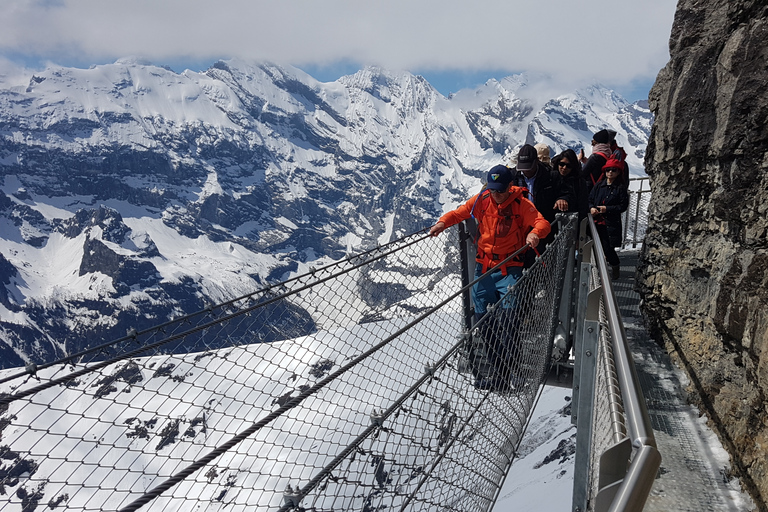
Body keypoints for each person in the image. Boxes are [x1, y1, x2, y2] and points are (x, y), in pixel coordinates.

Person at [430, 164, 551, 390]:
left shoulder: (521, 204)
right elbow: (460, 213)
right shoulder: (481, 200)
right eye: (493, 190)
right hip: (483, 268)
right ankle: (500, 375)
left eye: (500, 191)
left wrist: (535, 233)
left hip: (509, 267)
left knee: (509, 323)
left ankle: (513, 371)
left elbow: (541, 222)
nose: (496, 195)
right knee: (484, 325)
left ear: (509, 187)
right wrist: (443, 223)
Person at [510, 144, 574, 265]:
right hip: (520, 230)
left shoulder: (551, 176)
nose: (525, 170)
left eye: (528, 167)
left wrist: (562, 199)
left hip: (545, 229)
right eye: (522, 167)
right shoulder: (513, 176)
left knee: (545, 264)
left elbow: (566, 192)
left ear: (537, 162)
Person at [588, 158, 629, 279]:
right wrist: (591, 208)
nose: (610, 172)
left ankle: (615, 266)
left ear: (618, 172)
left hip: (609, 223)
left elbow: (623, 206)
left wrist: (607, 209)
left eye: (613, 170)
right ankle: (599, 272)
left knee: (608, 249)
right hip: (596, 222)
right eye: (608, 170)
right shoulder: (599, 186)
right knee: (596, 247)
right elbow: (589, 199)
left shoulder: (620, 188)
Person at [552, 149, 588, 220]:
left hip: (572, 220)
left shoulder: (579, 182)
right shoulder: (551, 178)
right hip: (552, 220)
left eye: (568, 165)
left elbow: (583, 205)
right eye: (562, 164)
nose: (564, 168)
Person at [580, 129, 613, 193]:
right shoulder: (608, 154)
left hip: (590, 189)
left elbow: (582, 173)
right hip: (601, 188)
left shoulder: (594, 157)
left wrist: (578, 160)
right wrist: (587, 162)